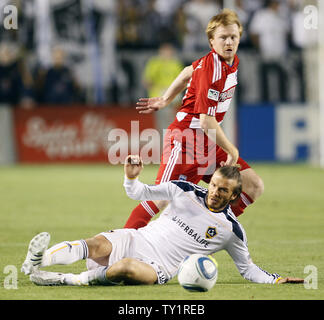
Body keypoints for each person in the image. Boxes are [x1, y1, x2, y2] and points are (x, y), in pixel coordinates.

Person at [21, 155, 303, 286]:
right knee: (95, 244)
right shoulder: (183, 190)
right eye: (215, 185)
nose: (215, 192)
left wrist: (276, 280)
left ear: (234, 196)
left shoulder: (231, 231)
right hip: (136, 238)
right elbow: (138, 193)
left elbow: (248, 269)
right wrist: (130, 177)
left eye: (224, 190)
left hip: (159, 267)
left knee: (127, 268)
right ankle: (37, 261)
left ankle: (67, 280)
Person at [124, 9, 264, 229]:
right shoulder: (212, 70)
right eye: (223, 38)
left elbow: (189, 70)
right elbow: (207, 120)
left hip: (207, 142)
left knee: (253, 185)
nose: (229, 42)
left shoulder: (230, 61)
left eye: (233, 37)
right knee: (159, 198)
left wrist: (165, 98)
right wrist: (232, 150)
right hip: (186, 139)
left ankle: (210, 232)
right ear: (211, 41)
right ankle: (121, 250)